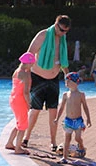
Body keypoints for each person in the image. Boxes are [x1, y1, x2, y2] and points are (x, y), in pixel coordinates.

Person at [23, 15, 71, 151]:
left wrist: (67, 75)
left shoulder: (62, 39)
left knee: (53, 112)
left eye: (66, 31)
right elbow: (30, 54)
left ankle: (53, 142)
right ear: (56, 25)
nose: (63, 34)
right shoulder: (43, 35)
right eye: (62, 30)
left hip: (54, 78)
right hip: (38, 77)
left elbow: (63, 59)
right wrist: (24, 73)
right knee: (35, 110)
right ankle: (26, 138)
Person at [55, 72, 92, 163]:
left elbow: (85, 107)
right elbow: (61, 108)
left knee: (77, 138)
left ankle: (81, 145)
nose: (66, 83)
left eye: (68, 81)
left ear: (75, 82)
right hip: (68, 121)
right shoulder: (65, 95)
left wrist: (88, 118)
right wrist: (57, 118)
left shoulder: (81, 95)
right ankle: (64, 157)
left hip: (78, 121)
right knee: (67, 139)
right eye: (65, 81)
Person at [5, 52, 35, 155]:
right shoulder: (25, 74)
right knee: (23, 126)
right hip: (20, 101)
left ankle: (9, 143)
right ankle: (18, 148)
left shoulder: (17, 71)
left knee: (19, 123)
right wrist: (29, 103)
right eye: (32, 64)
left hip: (13, 99)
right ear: (28, 63)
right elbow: (26, 92)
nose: (33, 66)